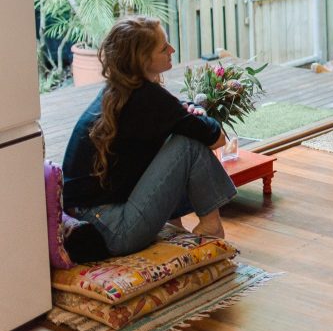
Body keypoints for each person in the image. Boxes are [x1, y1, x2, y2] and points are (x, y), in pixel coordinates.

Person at [61, 16, 237, 261]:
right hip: (115, 232)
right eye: (164, 48)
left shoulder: (119, 92)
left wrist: (186, 112)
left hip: (92, 223)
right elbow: (217, 138)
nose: (172, 50)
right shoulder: (146, 98)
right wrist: (199, 112)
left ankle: (176, 227)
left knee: (172, 140)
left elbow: (170, 121)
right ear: (143, 59)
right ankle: (211, 226)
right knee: (187, 144)